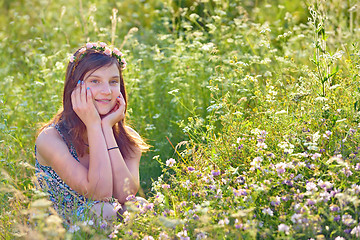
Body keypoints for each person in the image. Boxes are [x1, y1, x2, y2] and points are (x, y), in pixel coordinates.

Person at [35, 42, 149, 225]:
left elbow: (126, 195)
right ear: (75, 88)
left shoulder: (128, 139)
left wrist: (106, 129)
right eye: (95, 81)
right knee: (103, 210)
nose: (106, 91)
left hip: (108, 220)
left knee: (139, 206)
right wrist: (94, 125)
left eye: (113, 82)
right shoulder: (51, 138)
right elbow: (100, 194)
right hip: (59, 229)